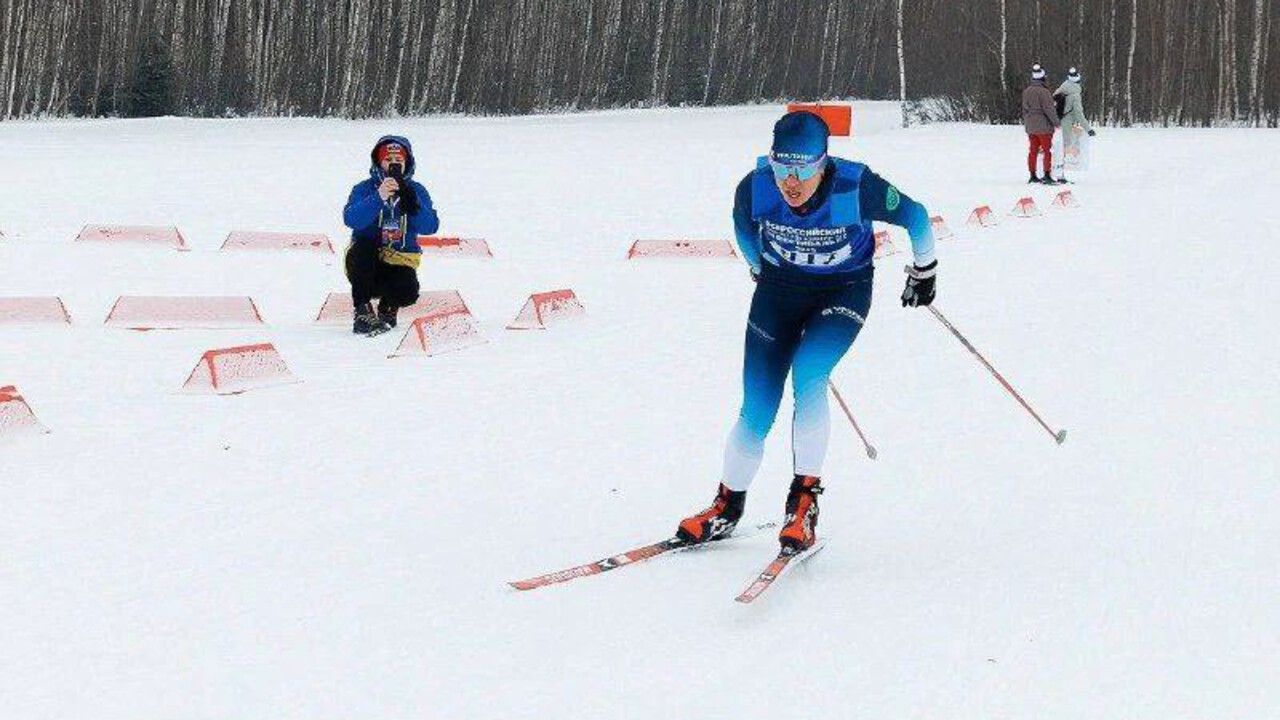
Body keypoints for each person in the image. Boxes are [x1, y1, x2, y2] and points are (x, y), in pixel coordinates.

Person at [675, 111, 937, 554]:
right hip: (779, 294)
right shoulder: (756, 187)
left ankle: (803, 504)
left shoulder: (856, 187)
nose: (791, 182)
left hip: (843, 291)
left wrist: (925, 271)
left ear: (823, 162)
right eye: (782, 168)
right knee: (757, 406)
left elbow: (917, 216)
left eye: (803, 169)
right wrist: (759, 266)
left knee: (810, 372)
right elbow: (742, 227)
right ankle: (726, 506)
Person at [342, 135, 439, 335]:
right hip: (365, 264)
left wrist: (414, 205)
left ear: (407, 163)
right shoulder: (364, 189)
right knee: (362, 248)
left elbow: (430, 227)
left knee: (408, 291)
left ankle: (388, 306)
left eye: (398, 160)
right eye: (388, 160)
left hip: (399, 260)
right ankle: (362, 310)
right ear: (378, 163)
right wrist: (378, 197)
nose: (393, 164)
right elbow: (352, 219)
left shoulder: (417, 190)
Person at [1053, 67, 1097, 180]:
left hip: (1057, 122)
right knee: (1063, 148)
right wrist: (1088, 129)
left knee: (1058, 147)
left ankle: (1053, 171)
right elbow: (1079, 114)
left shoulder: (1061, 89)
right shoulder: (1075, 95)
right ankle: (1059, 174)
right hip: (1067, 123)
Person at [1022, 63, 1062, 184]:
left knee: (1033, 151)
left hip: (1031, 126)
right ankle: (1047, 174)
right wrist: (1056, 122)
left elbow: (1025, 109)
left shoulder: (1027, 91)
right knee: (1047, 151)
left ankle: (1032, 175)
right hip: (1044, 127)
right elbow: (1049, 109)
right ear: (1043, 77)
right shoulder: (1044, 92)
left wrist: (1028, 122)